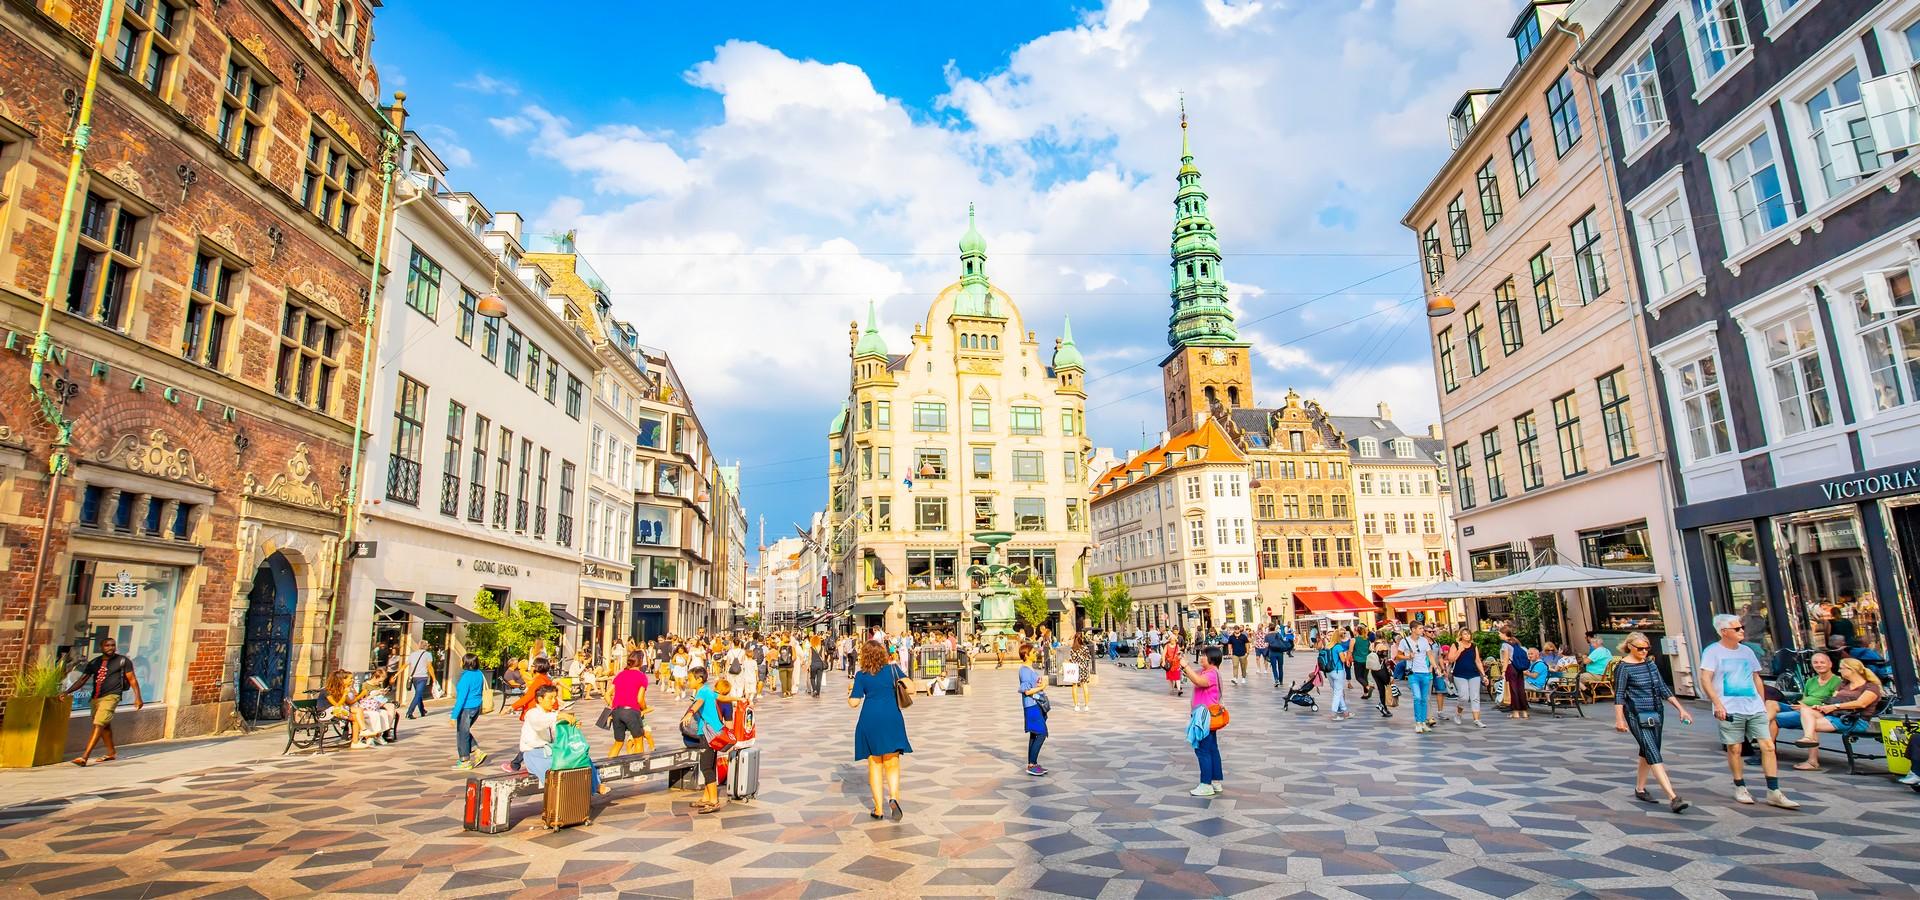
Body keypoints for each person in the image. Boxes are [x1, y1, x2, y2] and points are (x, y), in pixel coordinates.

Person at [1701, 614, 1800, 809]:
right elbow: (1706, 679)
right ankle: (1740, 786)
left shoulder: (1747, 651)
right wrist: (1717, 704)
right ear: (1724, 632)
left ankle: (1774, 791)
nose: (1742, 631)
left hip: (1753, 705)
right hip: (1729, 706)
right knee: (1735, 748)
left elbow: (1756, 677)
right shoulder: (1712, 652)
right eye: (1737, 629)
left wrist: (1762, 702)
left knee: (1768, 746)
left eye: (1741, 628)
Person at [1613, 631, 1692, 813]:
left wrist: (1681, 709)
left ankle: (1640, 789)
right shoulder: (1623, 667)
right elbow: (1619, 694)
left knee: (1647, 750)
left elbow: (1663, 688)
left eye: (1647, 648)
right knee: (1653, 752)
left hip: (1656, 712)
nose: (1644, 651)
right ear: (1630, 647)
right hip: (1636, 714)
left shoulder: (1650, 665)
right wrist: (1619, 719)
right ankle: (1673, 797)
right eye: (1640, 648)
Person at [848, 639, 911, 819]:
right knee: (892, 763)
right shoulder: (893, 669)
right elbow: (912, 688)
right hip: (892, 718)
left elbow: (854, 703)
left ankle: (878, 809)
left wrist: (849, 692)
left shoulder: (861, 675)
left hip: (870, 719)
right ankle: (893, 797)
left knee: (875, 764)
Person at [1788, 657, 1883, 771]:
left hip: (1854, 720)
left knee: (1810, 725)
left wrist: (1835, 706)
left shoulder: (1871, 687)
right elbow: (1833, 700)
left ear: (1851, 669)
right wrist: (1822, 707)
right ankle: (1808, 740)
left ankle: (1812, 760)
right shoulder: (1844, 684)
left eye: (1842, 668)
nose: (1839, 671)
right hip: (1837, 716)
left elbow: (1861, 703)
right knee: (1806, 710)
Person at [520, 684, 611, 796]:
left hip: (552, 751)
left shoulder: (553, 714)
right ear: (540, 699)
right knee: (558, 769)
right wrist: (560, 716)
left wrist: (571, 725)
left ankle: (595, 785)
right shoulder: (532, 713)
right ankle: (568, 794)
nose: (553, 701)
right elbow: (539, 723)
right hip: (535, 754)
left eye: (555, 697)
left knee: (581, 757)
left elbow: (559, 732)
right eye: (550, 698)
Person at [69, 638, 142, 767]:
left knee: (99, 724)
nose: (111, 647)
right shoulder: (95, 662)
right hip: (96, 698)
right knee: (104, 726)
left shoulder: (123, 661)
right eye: (107, 645)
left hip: (112, 696)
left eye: (113, 645)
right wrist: (67, 692)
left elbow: (132, 679)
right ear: (101, 647)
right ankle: (111, 753)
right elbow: (82, 680)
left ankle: (85, 757)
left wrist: (138, 697)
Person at [682, 666, 742, 814]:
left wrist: (690, 713)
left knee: (706, 767)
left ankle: (714, 801)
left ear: (699, 679)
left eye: (689, 679)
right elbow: (722, 697)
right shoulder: (708, 690)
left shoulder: (702, 692)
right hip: (715, 733)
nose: (687, 681)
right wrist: (738, 698)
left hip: (707, 734)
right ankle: (706, 797)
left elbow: (698, 703)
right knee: (711, 764)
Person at [1185, 644, 1228, 797]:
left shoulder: (1211, 674)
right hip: (1209, 716)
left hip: (1204, 717)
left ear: (1212, 659)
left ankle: (1206, 784)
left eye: (1204, 655)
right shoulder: (1209, 671)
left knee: (1203, 750)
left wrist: (1185, 666)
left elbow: (1198, 681)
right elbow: (1192, 676)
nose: (1201, 657)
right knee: (1212, 749)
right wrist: (1183, 665)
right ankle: (1215, 781)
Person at [608, 651, 653, 756]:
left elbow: (607, 694)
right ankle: (638, 767)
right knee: (638, 740)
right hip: (631, 711)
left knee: (618, 742)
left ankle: (607, 768)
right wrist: (644, 709)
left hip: (617, 711)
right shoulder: (641, 676)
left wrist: (613, 705)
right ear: (641, 662)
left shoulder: (621, 674)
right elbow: (640, 699)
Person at [449, 653, 489, 770]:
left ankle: (465, 760)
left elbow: (461, 698)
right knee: (464, 731)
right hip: (476, 707)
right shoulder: (479, 674)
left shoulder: (466, 677)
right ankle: (477, 751)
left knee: (462, 734)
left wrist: (454, 715)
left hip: (466, 708)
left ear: (466, 663)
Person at [1399, 624, 1439, 733]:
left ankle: (1423, 722)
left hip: (1425, 672)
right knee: (1417, 697)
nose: (1422, 630)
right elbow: (1398, 655)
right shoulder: (1404, 641)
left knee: (1424, 698)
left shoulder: (1424, 641)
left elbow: (1430, 655)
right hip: (1413, 673)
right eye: (1420, 628)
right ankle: (1418, 723)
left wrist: (1436, 667)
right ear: (1413, 629)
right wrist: (1407, 657)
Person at [1017, 643, 1049, 776]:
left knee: (1035, 733)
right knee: (1041, 733)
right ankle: (1032, 764)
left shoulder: (1029, 668)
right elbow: (1026, 691)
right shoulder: (1024, 670)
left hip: (1035, 704)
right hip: (1032, 705)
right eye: (1033, 652)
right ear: (1026, 655)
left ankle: (1032, 763)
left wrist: (1040, 683)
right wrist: (1042, 687)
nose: (1035, 654)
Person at [1448, 630, 1485, 728]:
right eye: (1465, 634)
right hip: (1459, 674)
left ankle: (1477, 719)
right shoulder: (1455, 645)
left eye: (1469, 634)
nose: (1467, 635)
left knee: (1475, 697)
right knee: (1464, 697)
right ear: (1460, 635)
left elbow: (1477, 661)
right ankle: (1458, 713)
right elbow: (1450, 659)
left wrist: (1484, 675)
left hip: (1474, 674)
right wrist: (1459, 651)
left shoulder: (1474, 646)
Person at [403, 638, 438, 720]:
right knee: (418, 694)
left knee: (418, 694)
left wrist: (397, 674)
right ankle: (409, 712)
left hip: (414, 677)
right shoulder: (428, 654)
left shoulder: (413, 654)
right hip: (423, 677)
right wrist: (434, 678)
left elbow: (405, 665)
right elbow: (429, 667)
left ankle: (422, 711)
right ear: (426, 646)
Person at [1500, 626, 1530, 720]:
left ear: (1504, 634)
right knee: (1521, 689)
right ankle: (1524, 712)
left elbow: (1506, 659)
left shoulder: (1505, 645)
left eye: (1500, 633)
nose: (1499, 635)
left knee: (1513, 690)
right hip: (1519, 668)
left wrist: (1503, 671)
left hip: (1511, 668)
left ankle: (1516, 712)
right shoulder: (1516, 642)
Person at [1325, 629, 1353, 720]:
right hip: (1338, 671)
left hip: (1329, 671)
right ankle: (1334, 713)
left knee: (1337, 691)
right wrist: (1345, 655)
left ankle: (1345, 712)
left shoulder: (1328, 646)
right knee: (1338, 692)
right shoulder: (1338, 647)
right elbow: (1343, 660)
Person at [1069, 635, 1094, 712]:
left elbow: (1071, 659)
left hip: (1075, 668)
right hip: (1083, 668)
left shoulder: (1073, 649)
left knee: (1074, 686)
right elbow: (1088, 658)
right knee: (1085, 686)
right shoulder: (1085, 648)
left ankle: (1076, 705)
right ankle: (1086, 705)